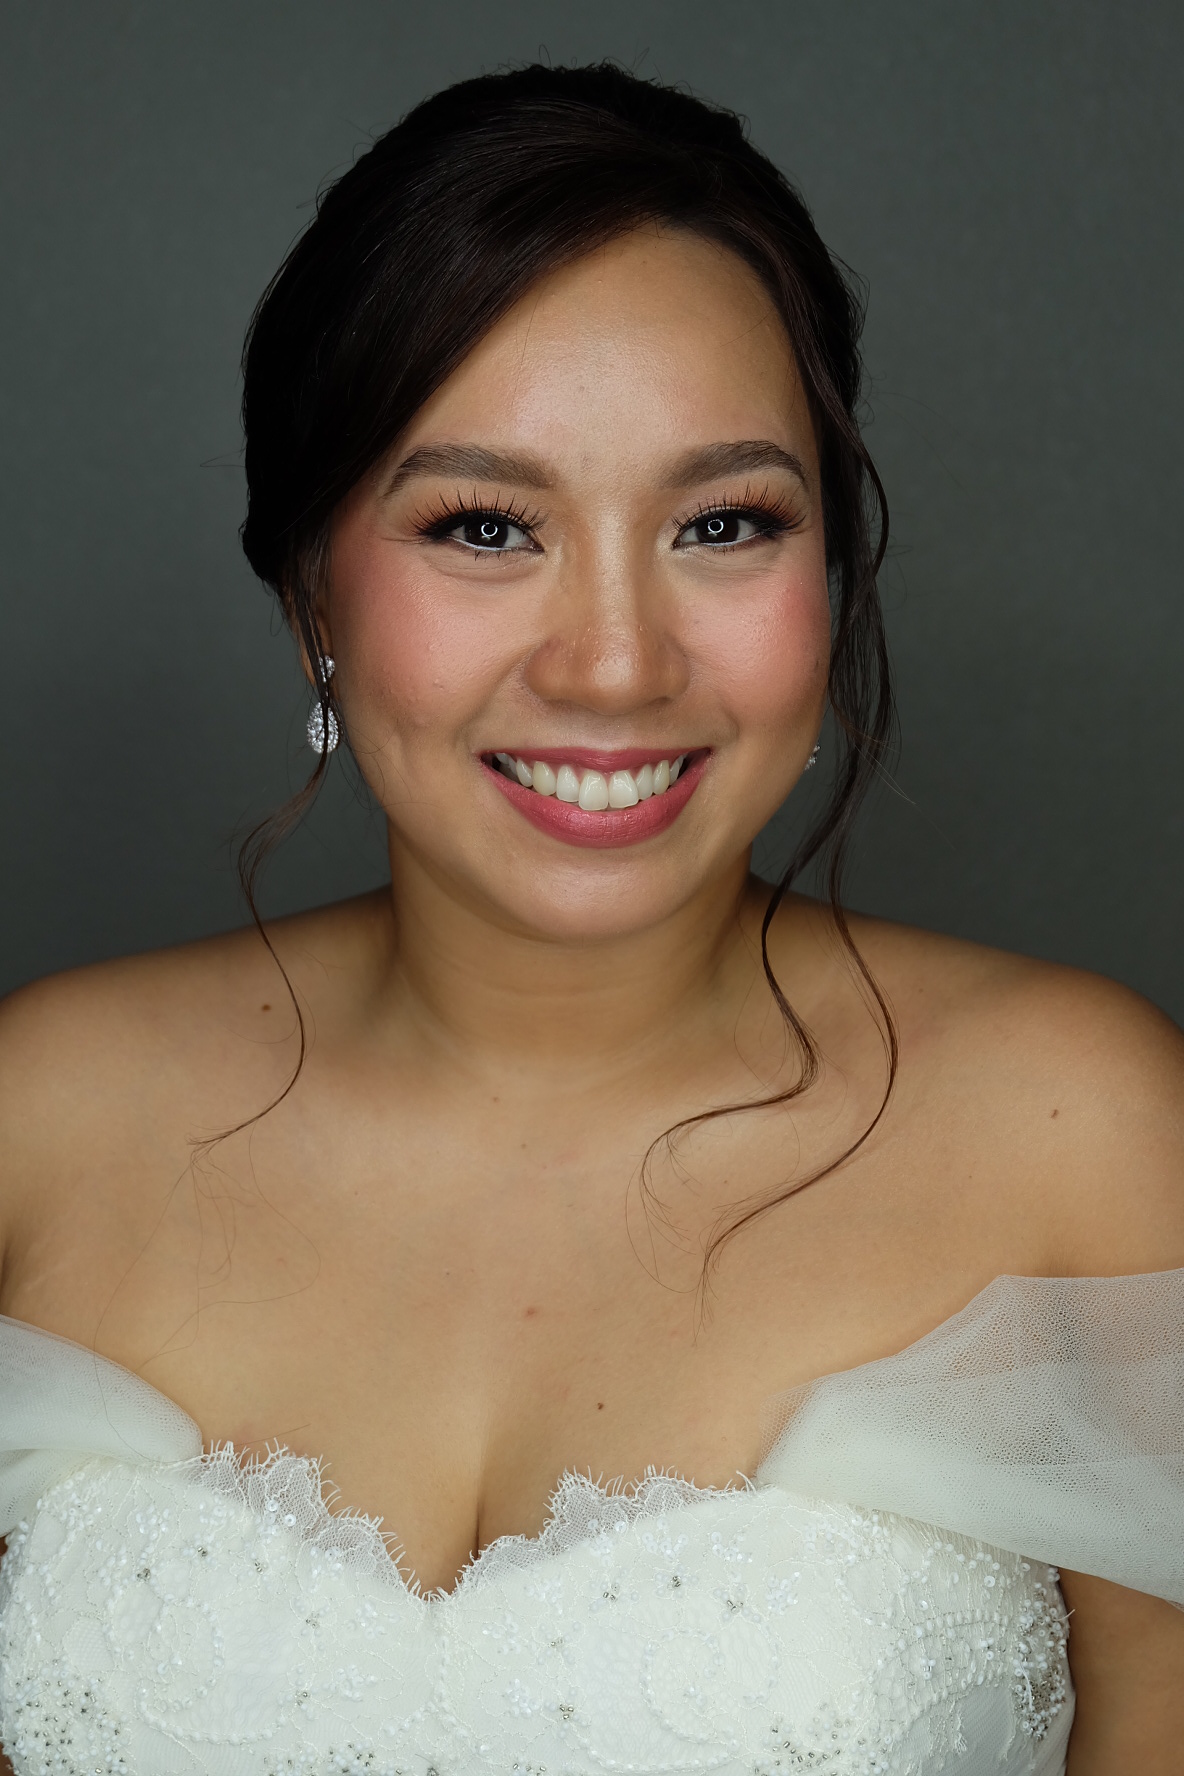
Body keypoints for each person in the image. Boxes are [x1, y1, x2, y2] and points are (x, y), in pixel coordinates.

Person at [0, 62, 1180, 1776]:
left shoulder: (1085, 1136)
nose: (616, 664)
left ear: (830, 572)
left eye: (724, 523)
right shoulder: (37, 1117)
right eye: (487, 526)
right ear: (312, 591)